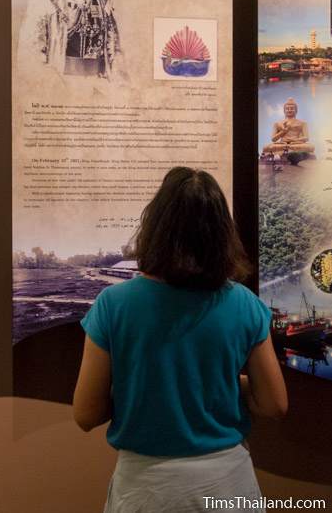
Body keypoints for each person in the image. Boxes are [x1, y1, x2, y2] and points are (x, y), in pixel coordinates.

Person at [73, 167, 287, 512]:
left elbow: (85, 413)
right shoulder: (244, 303)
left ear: (156, 226)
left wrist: (143, 385)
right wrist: (225, 384)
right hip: (227, 483)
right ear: (222, 232)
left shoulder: (113, 304)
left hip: (146, 489)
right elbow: (274, 404)